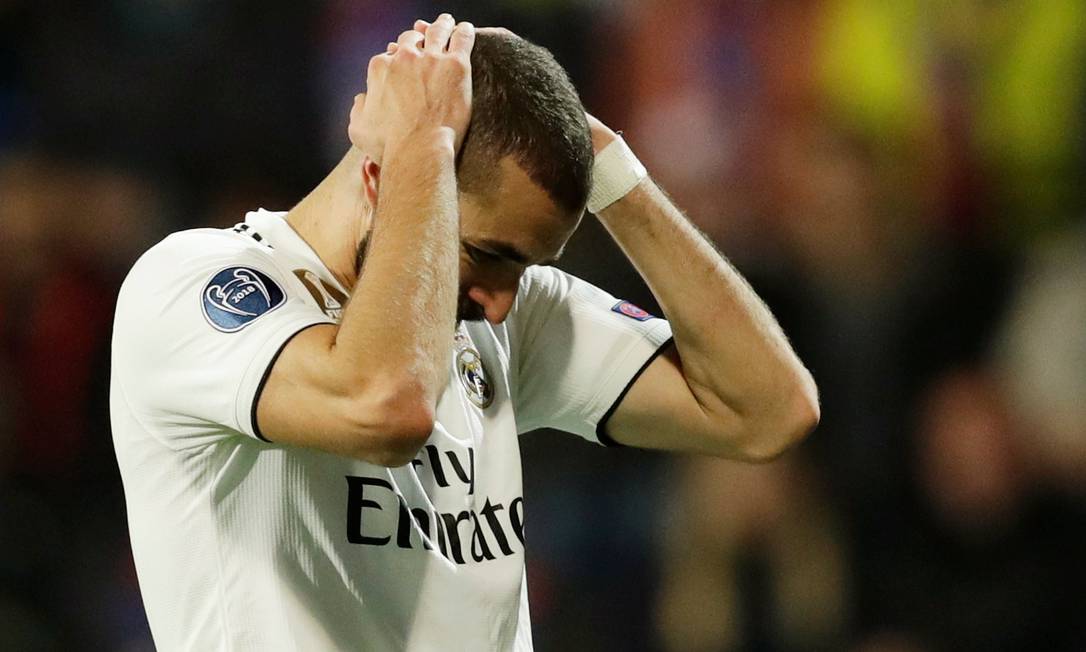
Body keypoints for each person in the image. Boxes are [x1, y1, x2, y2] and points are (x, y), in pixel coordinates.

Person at [110, 14, 819, 651]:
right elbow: (383, 406)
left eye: (526, 266)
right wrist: (421, 140)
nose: (502, 304)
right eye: (488, 254)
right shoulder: (190, 286)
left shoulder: (503, 312)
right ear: (383, 173)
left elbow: (767, 410)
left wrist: (608, 164)